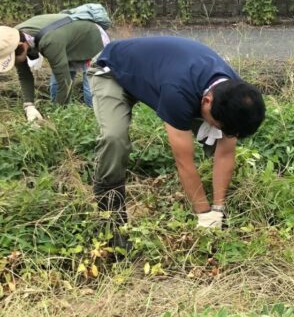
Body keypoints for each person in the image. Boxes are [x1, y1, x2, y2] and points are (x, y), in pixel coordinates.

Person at [86, 36, 265, 248]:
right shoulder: (178, 92)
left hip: (157, 73)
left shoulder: (236, 93)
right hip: (113, 70)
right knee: (114, 138)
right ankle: (111, 222)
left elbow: (226, 151)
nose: (220, 129)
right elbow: (184, 162)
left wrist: (218, 209)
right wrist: (203, 214)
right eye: (218, 123)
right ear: (207, 101)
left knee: (218, 140)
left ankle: (220, 207)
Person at [0, 14, 108, 120]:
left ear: (21, 46)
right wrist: (29, 106)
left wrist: (57, 118)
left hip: (91, 40)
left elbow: (65, 83)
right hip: (66, 43)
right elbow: (24, 75)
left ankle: (96, 124)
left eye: (14, 60)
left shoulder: (49, 42)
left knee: (91, 96)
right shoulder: (12, 38)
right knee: (56, 90)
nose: (15, 64)